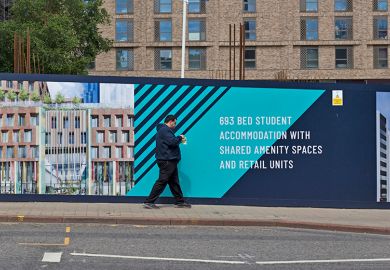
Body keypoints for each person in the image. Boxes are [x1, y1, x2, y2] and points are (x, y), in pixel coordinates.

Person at [143, 115, 191, 209]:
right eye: (175, 122)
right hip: (167, 160)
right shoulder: (165, 130)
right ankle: (149, 202)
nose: (175, 125)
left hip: (169, 160)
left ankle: (180, 201)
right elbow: (172, 142)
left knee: (174, 182)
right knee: (162, 181)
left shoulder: (163, 130)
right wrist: (180, 138)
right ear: (171, 121)